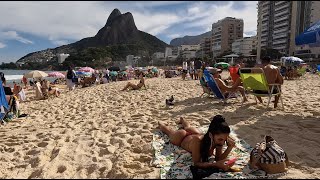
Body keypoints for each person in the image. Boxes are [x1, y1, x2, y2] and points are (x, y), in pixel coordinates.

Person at [158, 115, 236, 170]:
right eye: (220, 139)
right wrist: (215, 164)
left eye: (225, 139)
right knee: (169, 132)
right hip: (182, 137)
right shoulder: (198, 142)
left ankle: (182, 120)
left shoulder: (219, 140)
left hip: (196, 133)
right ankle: (160, 123)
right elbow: (197, 163)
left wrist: (229, 148)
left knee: (188, 127)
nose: (223, 143)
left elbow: (218, 158)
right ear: (211, 135)